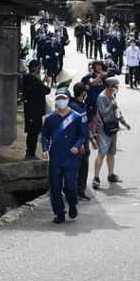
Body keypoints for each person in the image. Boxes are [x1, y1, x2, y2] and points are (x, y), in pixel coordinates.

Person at [41, 89, 89, 223]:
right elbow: (45, 135)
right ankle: (59, 213)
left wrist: (77, 145)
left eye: (63, 98)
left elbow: (82, 135)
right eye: (58, 98)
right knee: (55, 187)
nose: (61, 101)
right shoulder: (50, 118)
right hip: (56, 158)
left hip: (71, 158)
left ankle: (72, 204)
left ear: (68, 99)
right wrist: (45, 149)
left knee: (70, 186)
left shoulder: (76, 117)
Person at [92, 77, 128, 189]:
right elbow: (104, 113)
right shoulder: (101, 97)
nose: (116, 89)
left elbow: (117, 110)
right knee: (102, 153)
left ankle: (111, 174)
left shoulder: (112, 96)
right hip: (104, 129)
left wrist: (123, 122)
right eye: (115, 87)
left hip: (113, 127)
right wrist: (111, 106)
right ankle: (96, 177)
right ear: (109, 86)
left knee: (111, 153)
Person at [21, 60, 50, 160]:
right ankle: (30, 153)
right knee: (34, 132)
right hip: (34, 110)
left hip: (31, 108)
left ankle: (30, 152)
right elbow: (46, 90)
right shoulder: (33, 79)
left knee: (32, 132)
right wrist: (48, 83)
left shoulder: (28, 78)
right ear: (37, 68)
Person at [69, 83, 92, 199]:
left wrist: (92, 138)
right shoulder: (73, 107)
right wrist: (80, 144)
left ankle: (80, 191)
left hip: (85, 142)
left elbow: (85, 124)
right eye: (85, 92)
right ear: (83, 93)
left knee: (84, 169)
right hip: (78, 144)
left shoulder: (82, 106)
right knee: (75, 169)